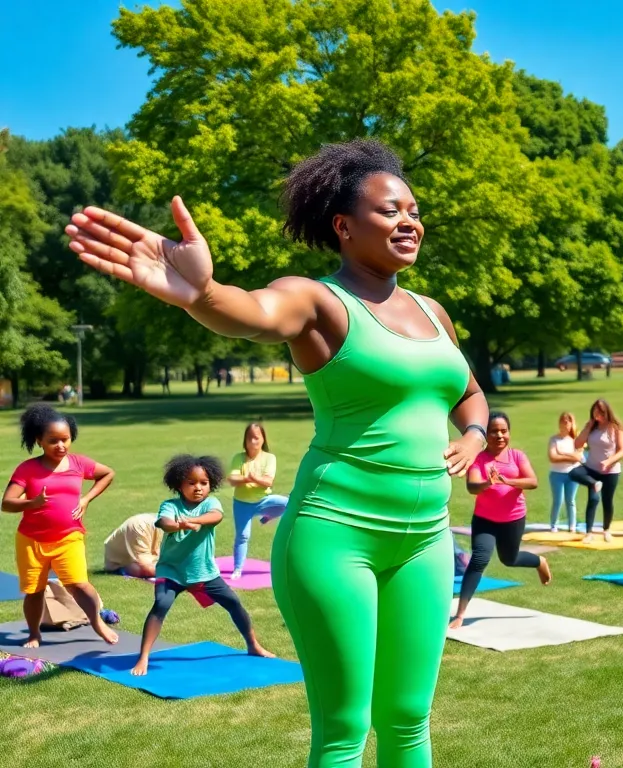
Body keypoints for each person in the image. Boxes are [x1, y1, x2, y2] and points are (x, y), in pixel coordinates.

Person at [66, 139, 489, 766]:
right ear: (343, 227)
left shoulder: (433, 312)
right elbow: (250, 313)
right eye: (390, 211)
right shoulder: (317, 300)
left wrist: (475, 435)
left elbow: (470, 392)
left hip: (425, 540)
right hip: (336, 536)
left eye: (413, 209)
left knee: (407, 719)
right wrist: (201, 292)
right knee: (345, 726)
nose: (409, 222)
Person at [131, 455, 274, 676]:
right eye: (191, 482)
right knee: (161, 604)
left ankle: (253, 645)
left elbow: (215, 516)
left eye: (203, 483)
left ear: (211, 484)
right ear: (179, 484)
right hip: (172, 571)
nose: (198, 488)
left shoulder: (211, 504)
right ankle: (144, 657)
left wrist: (194, 521)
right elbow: (164, 523)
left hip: (203, 572)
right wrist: (180, 524)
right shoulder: (171, 505)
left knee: (234, 603)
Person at [2, 404, 119, 648]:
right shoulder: (28, 469)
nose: (61, 446)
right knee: (34, 590)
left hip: (69, 537)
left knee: (79, 584)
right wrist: (32, 502)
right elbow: (7, 503)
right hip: (31, 541)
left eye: (65, 439)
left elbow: (108, 473)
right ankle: (34, 633)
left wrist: (86, 499)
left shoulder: (78, 463)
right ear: (39, 440)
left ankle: (97, 622)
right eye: (53, 440)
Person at [450, 412, 551, 630]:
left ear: (509, 433)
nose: (499, 435)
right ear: (486, 434)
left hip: (513, 519)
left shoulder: (517, 456)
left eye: (503, 431)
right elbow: (472, 487)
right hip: (485, 520)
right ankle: (460, 613)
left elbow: (533, 481)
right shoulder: (479, 459)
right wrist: (488, 482)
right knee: (479, 559)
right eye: (494, 431)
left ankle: (539, 561)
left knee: (510, 559)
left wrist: (508, 480)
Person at [226, 421, 289, 580]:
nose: (253, 442)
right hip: (242, 504)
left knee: (289, 503)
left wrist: (251, 478)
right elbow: (232, 479)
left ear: (263, 439)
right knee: (243, 536)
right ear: (245, 440)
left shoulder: (269, 458)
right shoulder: (239, 458)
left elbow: (268, 482)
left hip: (264, 500)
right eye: (249, 438)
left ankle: (267, 516)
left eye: (256, 438)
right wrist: (248, 478)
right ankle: (238, 569)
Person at [573, 399, 623, 544]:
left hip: (610, 471)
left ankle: (606, 530)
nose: (598, 415)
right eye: (595, 412)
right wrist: (587, 428)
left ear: (607, 412)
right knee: (575, 475)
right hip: (592, 469)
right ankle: (589, 533)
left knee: (607, 500)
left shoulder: (616, 428)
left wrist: (609, 462)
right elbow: (577, 444)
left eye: (601, 412)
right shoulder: (591, 426)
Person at [547, 412, 583, 533]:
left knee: (571, 500)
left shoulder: (575, 440)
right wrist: (570, 457)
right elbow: (553, 457)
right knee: (558, 500)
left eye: (568, 422)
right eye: (563, 421)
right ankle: (553, 524)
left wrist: (562, 454)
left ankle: (572, 525)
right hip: (557, 474)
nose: (565, 424)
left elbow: (578, 458)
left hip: (573, 474)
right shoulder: (554, 439)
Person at [103, 513, 163, 578]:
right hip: (123, 563)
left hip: (152, 558)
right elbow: (147, 568)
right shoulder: (140, 525)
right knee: (137, 569)